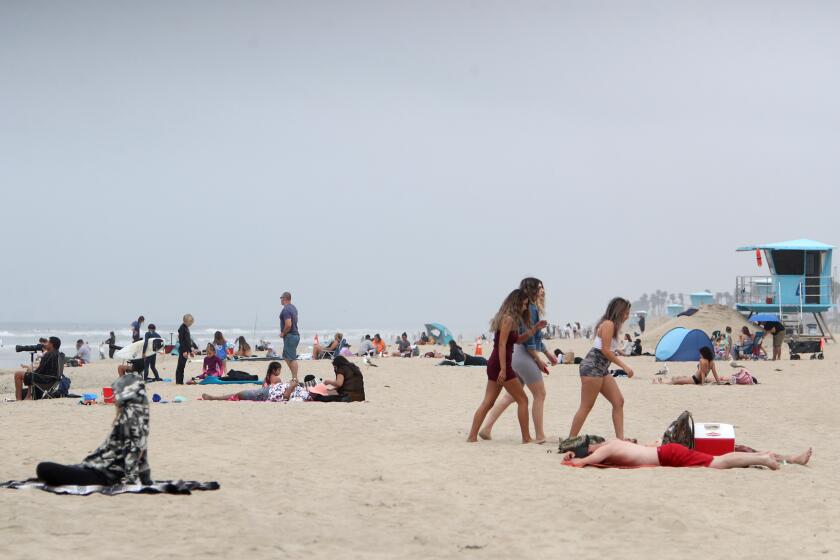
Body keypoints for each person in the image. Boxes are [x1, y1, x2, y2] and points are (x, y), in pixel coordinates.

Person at [35, 370, 151, 486]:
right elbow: (141, 454)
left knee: (43, 468)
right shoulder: (138, 416)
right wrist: (145, 478)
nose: (115, 397)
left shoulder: (130, 420)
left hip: (103, 474)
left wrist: (131, 480)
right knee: (60, 469)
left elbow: (134, 452)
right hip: (96, 467)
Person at [479, 277, 554, 444]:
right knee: (539, 394)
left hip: (516, 354)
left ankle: (486, 428)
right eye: (540, 288)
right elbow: (528, 340)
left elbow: (533, 336)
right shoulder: (532, 309)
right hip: (523, 354)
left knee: (511, 396)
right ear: (532, 290)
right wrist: (538, 359)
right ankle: (540, 435)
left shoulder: (526, 309)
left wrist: (547, 353)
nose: (543, 290)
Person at [467, 289, 533, 444]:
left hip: (496, 363)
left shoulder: (509, 319)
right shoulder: (508, 319)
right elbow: (502, 344)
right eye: (524, 304)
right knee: (523, 400)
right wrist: (504, 369)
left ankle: (472, 437)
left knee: (488, 402)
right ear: (516, 303)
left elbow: (515, 340)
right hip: (499, 364)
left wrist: (535, 329)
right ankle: (526, 438)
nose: (525, 308)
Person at [568, 297, 634, 441]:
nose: (627, 316)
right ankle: (570, 440)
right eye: (626, 312)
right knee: (586, 406)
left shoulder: (612, 326)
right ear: (619, 311)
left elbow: (609, 348)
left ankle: (620, 440)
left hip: (601, 369)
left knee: (618, 401)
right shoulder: (609, 324)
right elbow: (605, 350)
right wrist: (625, 366)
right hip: (592, 368)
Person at [562, 438, 811, 470]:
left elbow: (584, 462)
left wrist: (574, 458)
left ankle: (764, 458)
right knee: (724, 455)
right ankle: (784, 457)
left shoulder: (605, 449)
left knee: (718, 462)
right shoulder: (615, 443)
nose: (595, 445)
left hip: (669, 456)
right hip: (667, 451)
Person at [201, 361, 308, 402]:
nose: (280, 371)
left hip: (263, 392)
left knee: (238, 394)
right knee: (239, 394)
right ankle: (215, 397)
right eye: (279, 370)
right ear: (274, 370)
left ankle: (215, 397)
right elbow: (282, 394)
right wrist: (291, 386)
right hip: (264, 393)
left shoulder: (268, 377)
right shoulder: (277, 379)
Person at [14, 336, 62, 401]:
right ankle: (28, 396)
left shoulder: (49, 354)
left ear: (51, 344)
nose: (45, 344)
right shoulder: (58, 354)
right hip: (52, 380)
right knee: (29, 373)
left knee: (18, 374)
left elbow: (40, 371)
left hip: (46, 380)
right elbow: (44, 369)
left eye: (47, 342)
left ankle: (18, 399)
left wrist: (31, 371)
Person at [653, 346, 721, 385]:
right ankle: (663, 381)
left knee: (676, 381)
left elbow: (703, 373)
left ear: (704, 354)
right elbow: (715, 374)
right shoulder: (712, 362)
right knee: (678, 378)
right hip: (697, 379)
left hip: (695, 380)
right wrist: (718, 383)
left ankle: (660, 383)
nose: (700, 355)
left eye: (701, 354)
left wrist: (702, 384)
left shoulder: (702, 361)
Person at [279, 291, 300, 381]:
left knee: (292, 358)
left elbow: (288, 324)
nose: (280, 300)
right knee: (286, 356)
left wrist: (283, 333)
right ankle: (294, 377)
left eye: (281, 298)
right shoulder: (293, 308)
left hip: (290, 336)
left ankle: (295, 378)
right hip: (294, 335)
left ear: (284, 298)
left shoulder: (286, 309)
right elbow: (296, 321)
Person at [175, 314, 194, 385]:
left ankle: (180, 381)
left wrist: (190, 351)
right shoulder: (182, 329)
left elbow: (188, 341)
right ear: (186, 321)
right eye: (190, 322)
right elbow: (182, 341)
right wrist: (184, 351)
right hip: (183, 350)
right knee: (180, 366)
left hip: (186, 350)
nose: (191, 324)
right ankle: (178, 382)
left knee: (182, 367)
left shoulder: (186, 328)